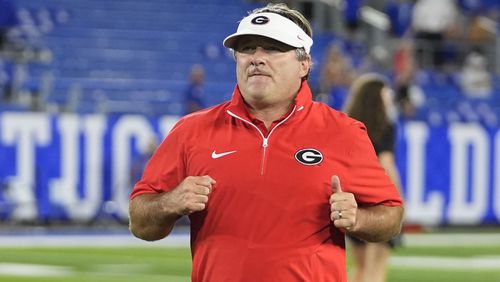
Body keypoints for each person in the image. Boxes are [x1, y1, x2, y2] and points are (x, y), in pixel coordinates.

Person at [129, 3, 404, 282]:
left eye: (272, 48)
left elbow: (391, 216)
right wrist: (170, 202)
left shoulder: (344, 132)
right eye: (247, 49)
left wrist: (358, 219)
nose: (256, 58)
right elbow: (139, 221)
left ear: (304, 64)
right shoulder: (191, 130)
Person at [342, 73, 404, 282]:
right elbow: (386, 165)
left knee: (360, 268)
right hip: (375, 200)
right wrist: (398, 199)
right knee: (376, 269)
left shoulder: (346, 125)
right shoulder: (385, 126)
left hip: (352, 200)